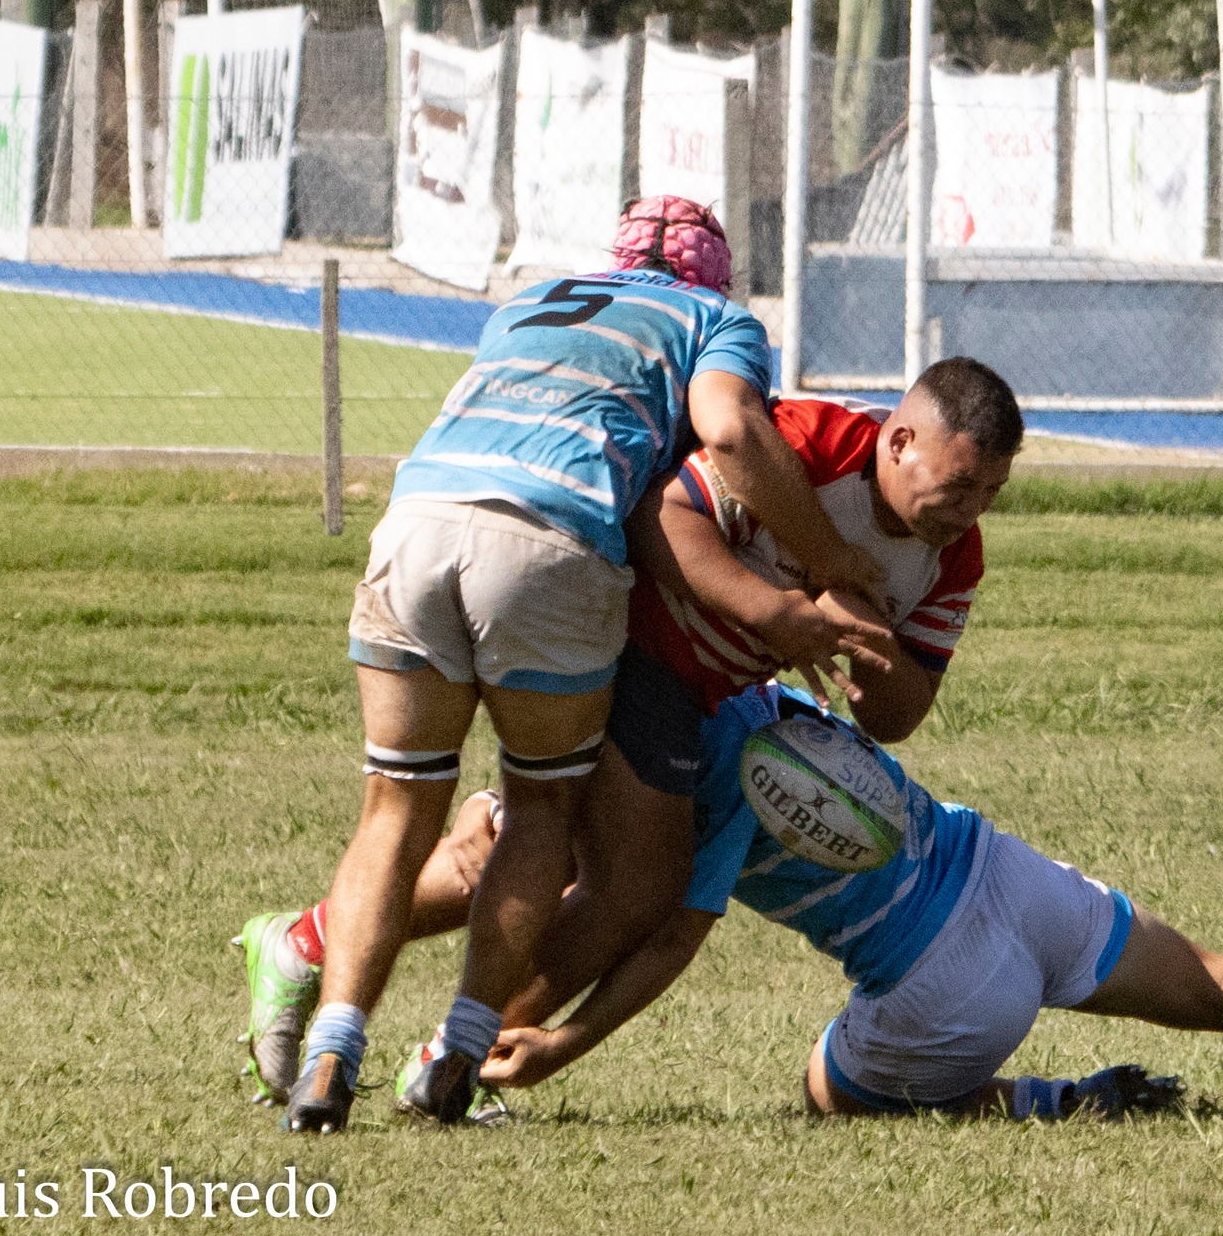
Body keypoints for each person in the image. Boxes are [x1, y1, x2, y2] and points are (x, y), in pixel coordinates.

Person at [240, 371, 1021, 1122]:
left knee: (543, 854)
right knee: (635, 884)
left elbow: (902, 710)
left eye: (990, 491)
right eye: (957, 485)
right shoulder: (811, 443)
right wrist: (777, 610)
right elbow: (662, 520)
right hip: (628, 642)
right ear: (899, 439)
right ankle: (454, 1058)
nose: (970, 509)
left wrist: (863, 627)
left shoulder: (956, 554)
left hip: (699, 694)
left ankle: (313, 946)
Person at [280, 196, 886, 1133]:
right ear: (709, 279)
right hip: (549, 540)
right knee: (541, 812)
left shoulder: (531, 300)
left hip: (417, 519)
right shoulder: (715, 320)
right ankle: (458, 1052)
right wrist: (831, 568)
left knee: (395, 805)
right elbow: (727, 431)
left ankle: (330, 1053)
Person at [330, 685, 1223, 1122]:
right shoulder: (759, 692)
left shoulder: (684, 771)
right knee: (1222, 979)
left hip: (938, 988)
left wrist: (565, 1039)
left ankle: (1043, 1101)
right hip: (1010, 881)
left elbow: (667, 933)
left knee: (825, 1094)